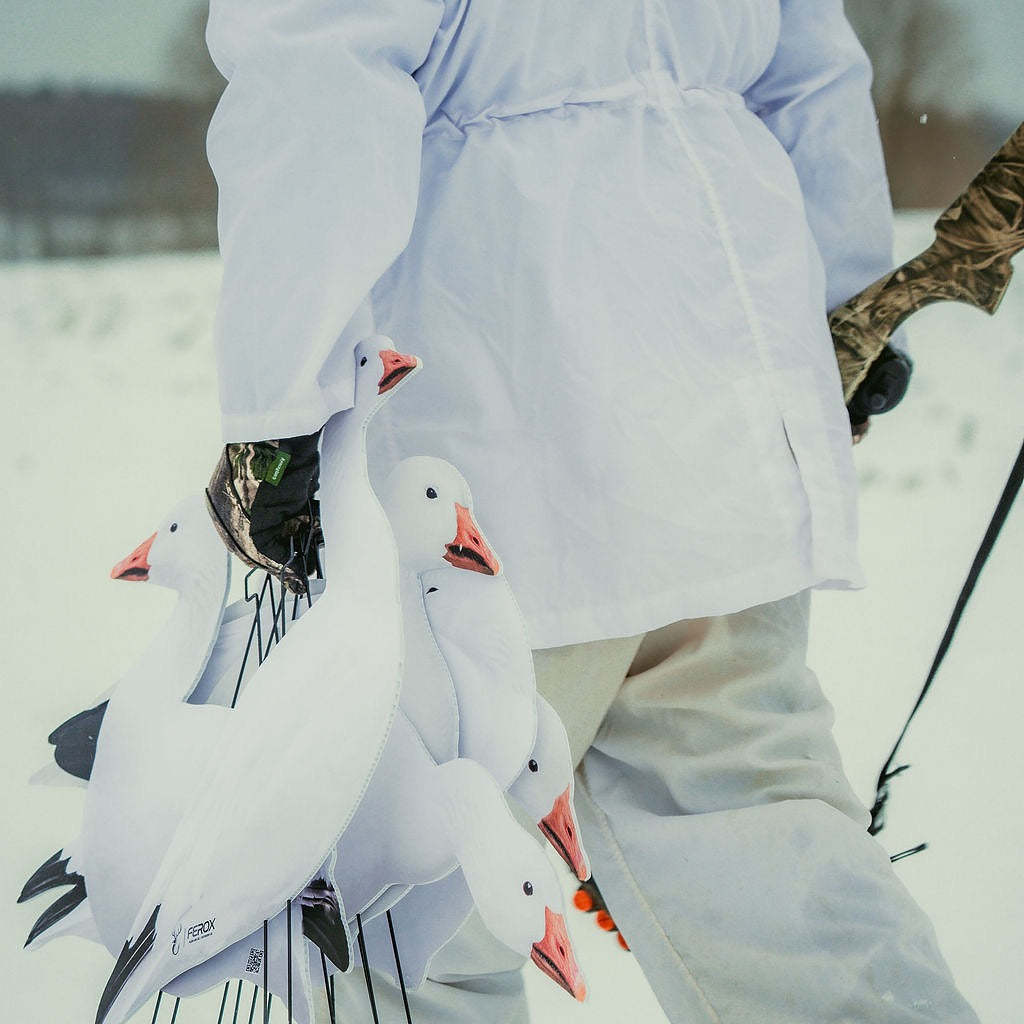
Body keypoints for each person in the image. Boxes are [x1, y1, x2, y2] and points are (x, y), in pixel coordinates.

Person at [202, 0, 979, 1020]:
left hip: (491, 407)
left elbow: (319, 64)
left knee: (408, 914)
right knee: (759, 841)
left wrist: (279, 400)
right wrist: (850, 301)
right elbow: (808, 70)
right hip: (716, 392)